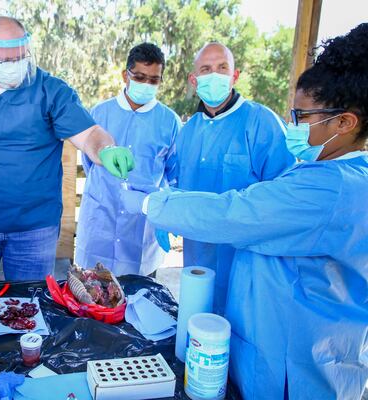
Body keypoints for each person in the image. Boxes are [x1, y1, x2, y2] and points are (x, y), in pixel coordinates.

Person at [121, 23, 368, 399]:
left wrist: (152, 203)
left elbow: (239, 212)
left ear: (345, 122)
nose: (293, 125)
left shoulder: (332, 187)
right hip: (250, 303)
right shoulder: (334, 171)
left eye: (302, 117)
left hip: (299, 362)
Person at [0, 16, 134, 281]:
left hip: (33, 229)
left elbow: (90, 134)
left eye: (22, 57)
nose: (16, 66)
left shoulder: (51, 90)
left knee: (30, 304)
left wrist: (106, 149)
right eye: (7, 60)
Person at [158, 42, 295, 314]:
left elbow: (285, 194)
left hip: (247, 258)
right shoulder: (188, 132)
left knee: (241, 331)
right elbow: (180, 184)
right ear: (194, 79)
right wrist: (168, 210)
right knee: (199, 328)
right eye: (206, 69)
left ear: (235, 75)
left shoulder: (261, 123)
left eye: (222, 68)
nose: (215, 75)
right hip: (198, 258)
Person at [75, 43, 180, 276]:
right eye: (140, 77)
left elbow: (174, 174)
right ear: (126, 75)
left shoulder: (169, 121)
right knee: (92, 301)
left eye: (154, 80)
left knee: (139, 302)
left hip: (141, 230)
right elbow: (90, 161)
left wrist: (168, 212)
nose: (146, 84)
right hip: (100, 224)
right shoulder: (99, 113)